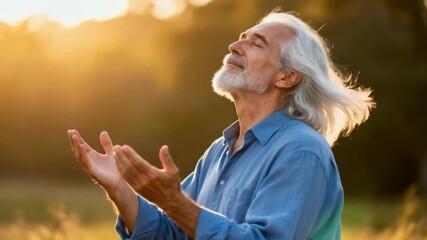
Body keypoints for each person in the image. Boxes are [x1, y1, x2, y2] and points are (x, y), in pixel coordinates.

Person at [67, 11, 374, 240]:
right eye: (241, 37)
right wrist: (119, 188)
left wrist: (174, 202)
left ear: (287, 77)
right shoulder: (220, 150)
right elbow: (170, 233)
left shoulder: (301, 152)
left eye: (257, 43)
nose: (234, 46)